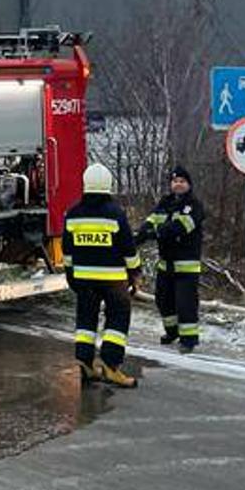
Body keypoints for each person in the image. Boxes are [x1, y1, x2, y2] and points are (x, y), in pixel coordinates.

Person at [63, 162, 140, 387]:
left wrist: (71, 276)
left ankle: (86, 366)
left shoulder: (73, 213)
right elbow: (129, 249)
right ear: (108, 185)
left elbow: (67, 250)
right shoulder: (115, 214)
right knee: (117, 318)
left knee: (85, 322)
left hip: (83, 280)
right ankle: (111, 366)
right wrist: (135, 272)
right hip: (113, 280)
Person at [142, 165, 208, 353]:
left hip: (186, 267)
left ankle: (189, 340)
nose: (178, 184)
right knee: (163, 300)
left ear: (189, 184)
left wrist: (155, 233)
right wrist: (140, 233)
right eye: (175, 181)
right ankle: (172, 332)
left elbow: (179, 227)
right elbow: (152, 219)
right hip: (166, 265)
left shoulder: (194, 205)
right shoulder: (165, 202)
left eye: (182, 181)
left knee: (185, 304)